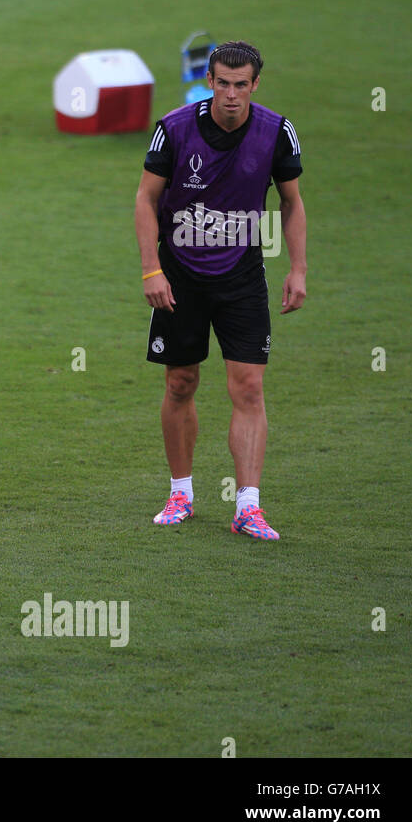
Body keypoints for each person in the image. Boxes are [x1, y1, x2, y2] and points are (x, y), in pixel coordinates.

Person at [134, 41, 307, 540]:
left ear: (255, 85)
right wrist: (151, 270)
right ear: (209, 81)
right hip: (179, 275)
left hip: (241, 276)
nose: (231, 94)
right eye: (222, 83)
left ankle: (248, 507)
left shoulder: (277, 132)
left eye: (241, 84)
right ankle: (181, 492)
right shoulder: (175, 129)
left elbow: (292, 203)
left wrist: (298, 269)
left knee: (249, 387)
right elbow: (146, 200)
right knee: (180, 382)